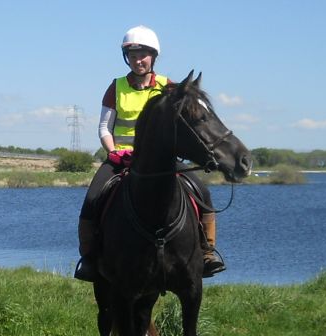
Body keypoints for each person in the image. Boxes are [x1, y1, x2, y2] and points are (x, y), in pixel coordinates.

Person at [74, 25, 225, 281]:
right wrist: (113, 152)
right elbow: (104, 128)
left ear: (153, 57)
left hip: (161, 160)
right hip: (121, 158)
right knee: (92, 198)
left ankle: (207, 252)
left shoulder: (168, 86)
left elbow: (187, 117)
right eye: (132, 56)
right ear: (127, 58)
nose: (138, 60)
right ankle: (89, 258)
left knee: (203, 193)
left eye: (143, 55)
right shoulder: (116, 87)